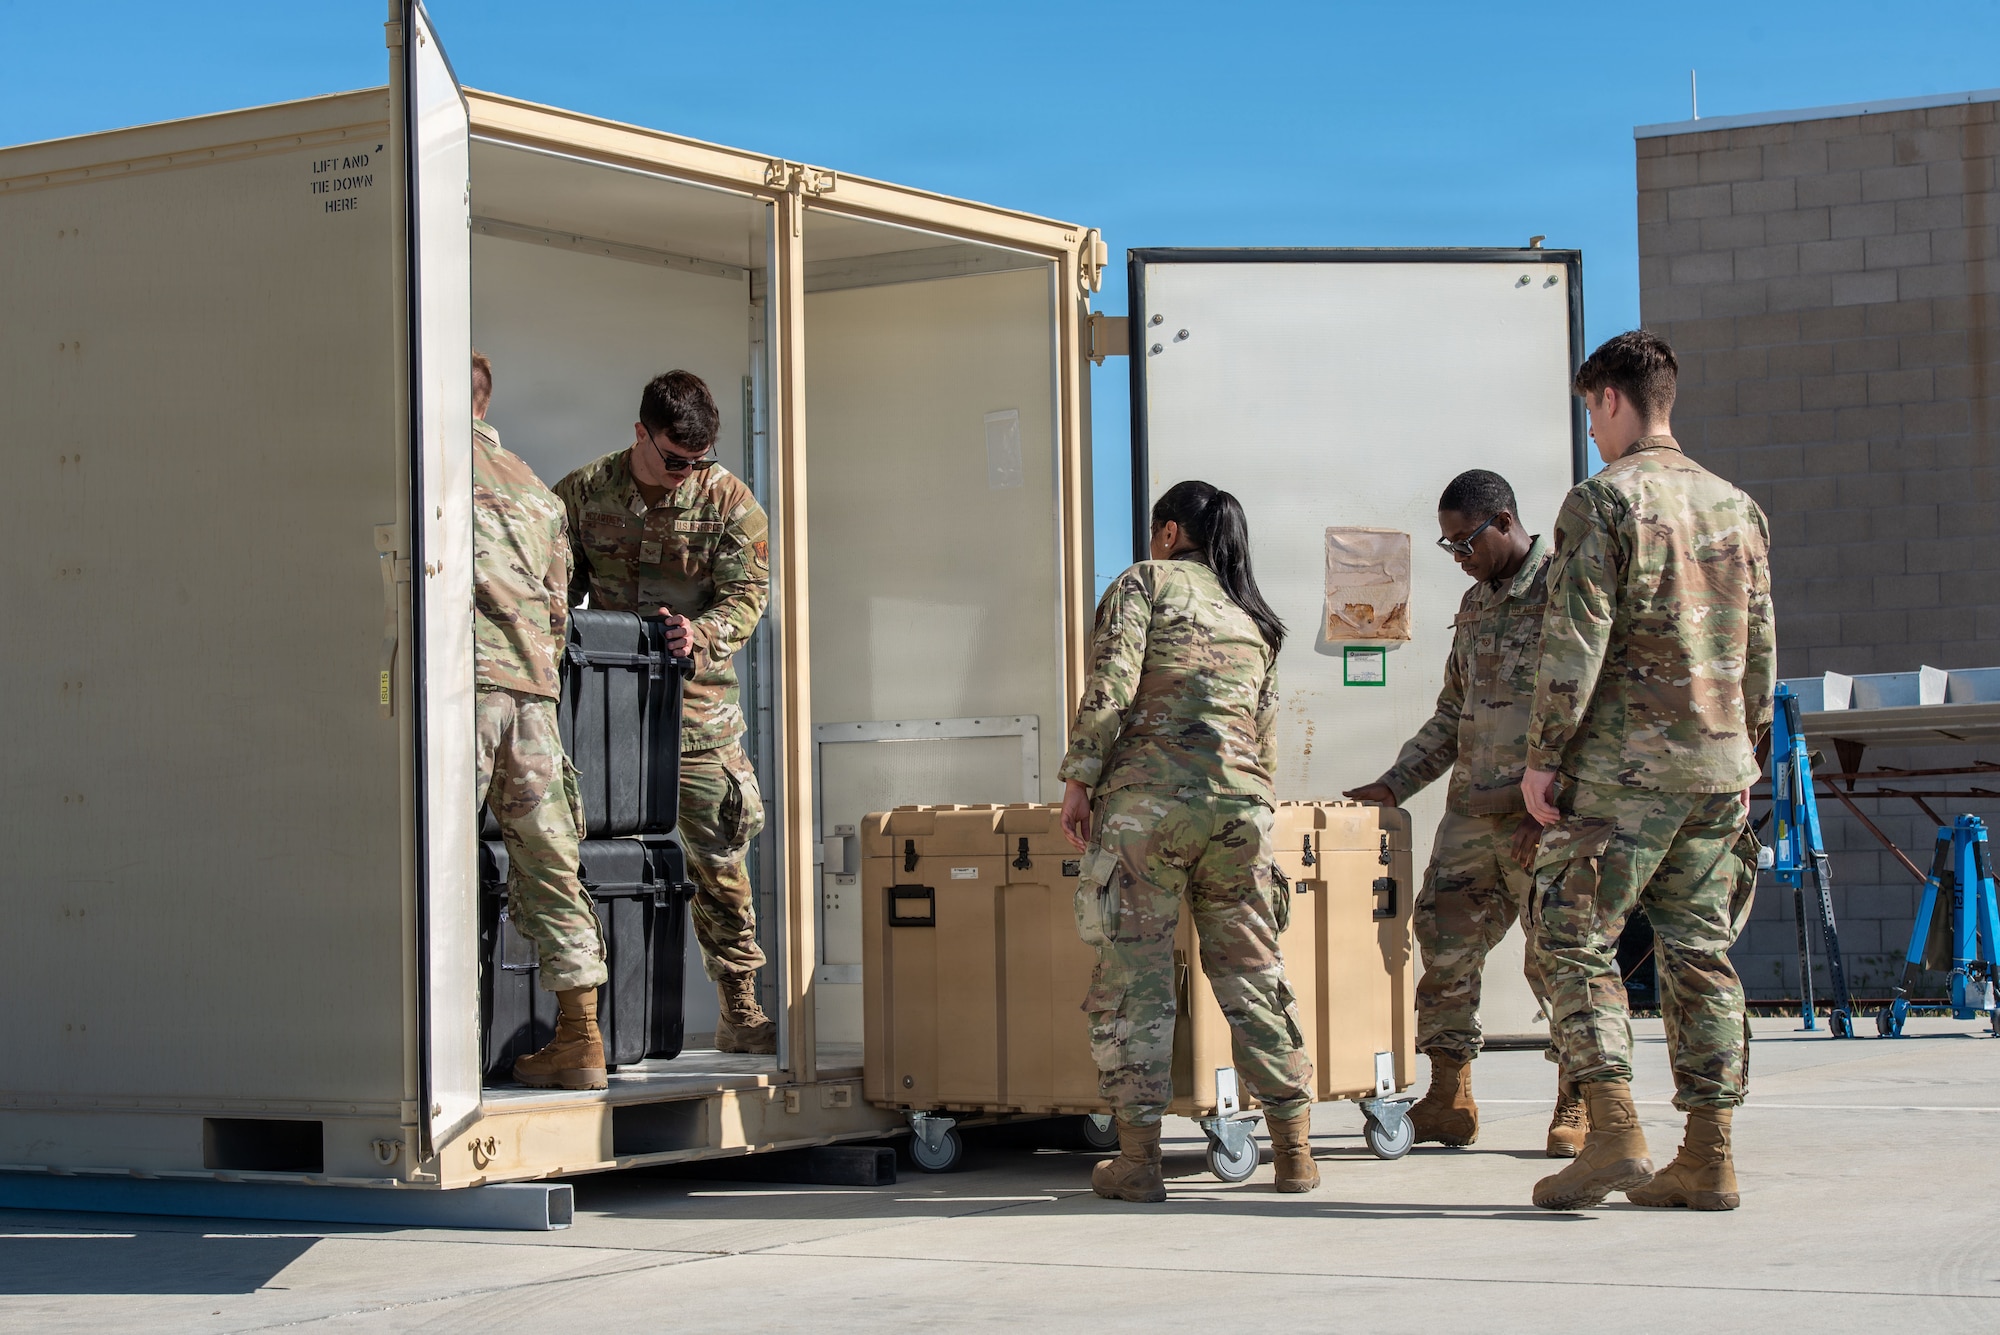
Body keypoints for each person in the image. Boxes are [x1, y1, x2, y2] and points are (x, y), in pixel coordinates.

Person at [1521, 329, 1774, 1212]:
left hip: (1622, 773)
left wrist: (1544, 757)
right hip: (1717, 770)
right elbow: (1761, 647)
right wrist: (1747, 750)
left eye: (1592, 412)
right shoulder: (1738, 507)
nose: (1592, 431)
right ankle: (1709, 1155)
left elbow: (1573, 642)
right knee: (1700, 953)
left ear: (1613, 401)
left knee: (1569, 937)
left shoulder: (1601, 501)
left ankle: (1615, 1128)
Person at [1058, 480, 1317, 1202]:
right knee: (1253, 975)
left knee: (1135, 981)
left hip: (1149, 811)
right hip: (1241, 813)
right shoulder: (1252, 614)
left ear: (1169, 532)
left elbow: (1112, 682)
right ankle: (1294, 1150)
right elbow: (1262, 738)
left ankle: (1139, 1160)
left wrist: (1079, 776)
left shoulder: (1146, 581)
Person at [1343, 469, 1585, 1158]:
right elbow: (1453, 715)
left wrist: (1561, 811)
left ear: (1505, 519)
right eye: (1449, 546)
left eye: (1466, 540)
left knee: (1562, 955)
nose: (1460, 556)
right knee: (1444, 943)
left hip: (1544, 814)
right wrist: (1393, 784)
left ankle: (1580, 1093)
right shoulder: (1477, 605)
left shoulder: (1566, 588)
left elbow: (1591, 707)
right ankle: (1450, 1094)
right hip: (1471, 817)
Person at [553, 371, 777, 1055]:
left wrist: (701, 632)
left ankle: (740, 1005)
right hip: (605, 716)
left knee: (719, 856)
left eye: (698, 460)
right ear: (640, 434)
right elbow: (552, 588)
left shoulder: (731, 504)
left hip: (696, 715)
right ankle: (581, 1022)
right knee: (575, 857)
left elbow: (748, 594)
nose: (687, 473)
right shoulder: (584, 494)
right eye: (675, 458)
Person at [471, 350, 609, 1090]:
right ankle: (581, 1038)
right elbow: (562, 611)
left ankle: (430, 1048)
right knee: (553, 866)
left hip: (458, 693)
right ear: (486, 406)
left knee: (433, 865)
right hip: (531, 697)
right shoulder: (536, 489)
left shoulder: (421, 467)